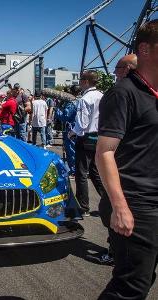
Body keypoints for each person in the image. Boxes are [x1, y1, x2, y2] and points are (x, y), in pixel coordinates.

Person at [96, 19, 158, 300]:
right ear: (145, 49)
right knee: (131, 287)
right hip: (136, 202)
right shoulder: (123, 93)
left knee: (142, 279)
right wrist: (120, 207)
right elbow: (105, 152)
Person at [93, 54, 138, 266]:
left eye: (118, 67)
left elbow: (105, 151)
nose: (115, 72)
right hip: (129, 168)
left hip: (127, 169)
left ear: (127, 69)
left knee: (110, 209)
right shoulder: (122, 93)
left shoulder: (121, 93)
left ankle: (115, 250)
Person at [68, 70, 105, 217]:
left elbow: (82, 124)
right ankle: (107, 200)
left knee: (81, 173)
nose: (79, 83)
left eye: (81, 80)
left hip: (86, 138)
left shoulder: (85, 99)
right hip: (99, 137)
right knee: (96, 172)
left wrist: (72, 133)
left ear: (86, 82)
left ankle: (83, 206)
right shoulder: (102, 96)